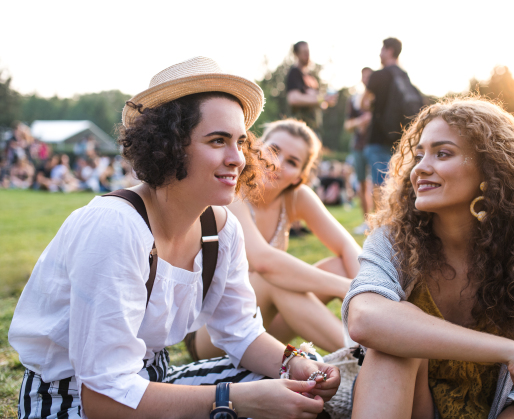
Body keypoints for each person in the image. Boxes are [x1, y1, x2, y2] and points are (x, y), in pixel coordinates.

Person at [9, 57, 340, 419]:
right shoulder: (114, 228)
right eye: (218, 141)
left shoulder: (222, 230)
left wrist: (294, 365)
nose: (237, 159)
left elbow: (241, 331)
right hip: (71, 401)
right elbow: (102, 398)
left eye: (240, 142)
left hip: (154, 381)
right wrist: (238, 400)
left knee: (288, 391)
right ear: (169, 145)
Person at [345, 97, 514, 418]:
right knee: (392, 344)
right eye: (419, 155)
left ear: (490, 169)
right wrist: (510, 352)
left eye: (442, 153)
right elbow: (365, 318)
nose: (420, 167)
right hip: (409, 406)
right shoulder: (392, 240)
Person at [188, 119, 361, 361]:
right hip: (211, 331)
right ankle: (363, 357)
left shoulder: (296, 198)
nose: (277, 163)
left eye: (292, 162)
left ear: (299, 177)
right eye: (274, 150)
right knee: (269, 277)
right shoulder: (232, 192)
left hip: (261, 328)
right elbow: (263, 262)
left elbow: (346, 246)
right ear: (256, 148)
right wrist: (348, 289)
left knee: (341, 266)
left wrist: (367, 294)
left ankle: (374, 336)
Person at [362, 37, 422, 209]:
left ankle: (379, 226)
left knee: (379, 184)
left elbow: (363, 103)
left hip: (379, 137)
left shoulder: (379, 75)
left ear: (389, 51)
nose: (380, 53)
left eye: (382, 49)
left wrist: (373, 104)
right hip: (400, 138)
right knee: (397, 183)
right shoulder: (404, 76)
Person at [344, 67, 373, 234]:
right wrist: (361, 121)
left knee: (379, 185)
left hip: (375, 145)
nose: (366, 79)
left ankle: (382, 221)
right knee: (361, 183)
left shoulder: (379, 99)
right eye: (364, 76)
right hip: (358, 146)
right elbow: (347, 125)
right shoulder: (354, 100)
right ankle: (366, 221)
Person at [286, 41, 337, 134]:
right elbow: (293, 99)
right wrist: (322, 98)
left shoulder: (311, 75)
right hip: (300, 129)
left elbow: (318, 101)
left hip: (315, 127)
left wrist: (326, 101)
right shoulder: (294, 73)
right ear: (296, 54)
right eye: (304, 52)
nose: (307, 55)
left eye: (308, 52)